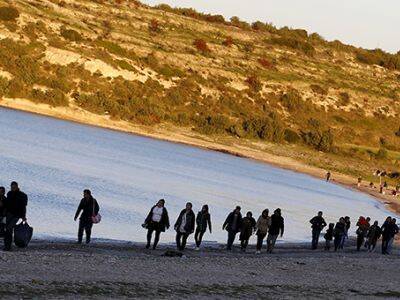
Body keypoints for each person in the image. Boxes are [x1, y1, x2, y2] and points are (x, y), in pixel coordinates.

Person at [3, 182, 28, 251]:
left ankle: (8, 246)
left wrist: (23, 216)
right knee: (8, 230)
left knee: (9, 228)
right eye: (12, 187)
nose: (13, 188)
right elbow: (7, 204)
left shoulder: (22, 195)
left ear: (17, 186)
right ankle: (7, 246)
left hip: (16, 215)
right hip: (9, 214)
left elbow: (23, 207)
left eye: (14, 187)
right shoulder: (9, 193)